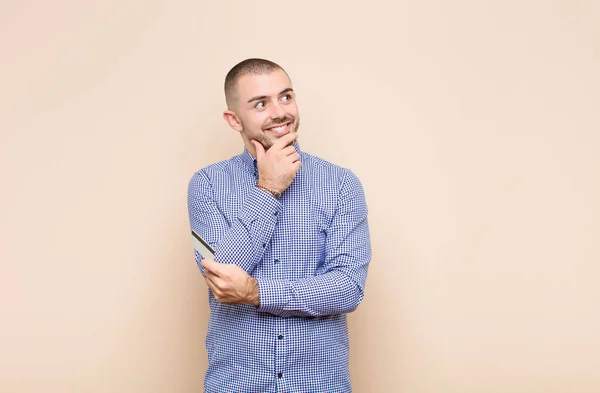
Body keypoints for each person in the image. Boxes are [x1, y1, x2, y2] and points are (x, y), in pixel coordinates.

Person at [187, 58, 372, 393]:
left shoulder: (342, 184)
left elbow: (348, 287)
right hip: (236, 385)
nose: (279, 112)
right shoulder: (206, 186)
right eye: (261, 104)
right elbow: (220, 277)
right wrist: (268, 188)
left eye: (286, 97)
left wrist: (257, 293)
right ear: (234, 119)